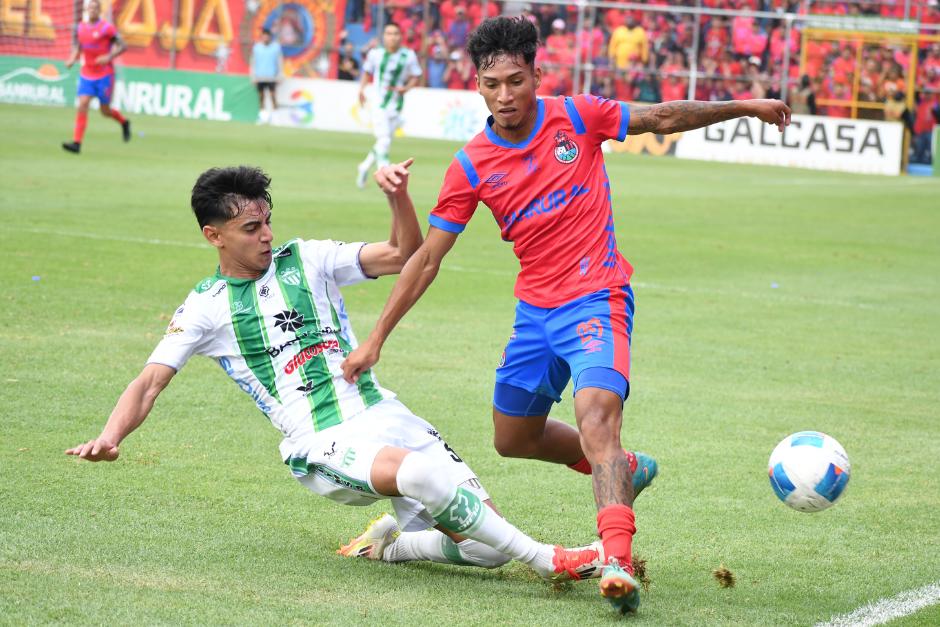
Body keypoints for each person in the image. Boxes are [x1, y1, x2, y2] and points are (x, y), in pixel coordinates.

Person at [341, 16, 791, 615]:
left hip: (597, 295)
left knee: (597, 417)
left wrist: (748, 105)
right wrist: (375, 339)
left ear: (536, 74)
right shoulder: (471, 165)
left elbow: (660, 117)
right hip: (535, 313)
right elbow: (426, 260)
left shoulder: (577, 116)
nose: (505, 96)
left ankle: (617, 562)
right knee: (513, 438)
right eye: (492, 83)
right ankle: (625, 470)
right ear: (477, 84)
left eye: (516, 81)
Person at [64, 161, 606, 585]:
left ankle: (392, 545)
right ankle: (548, 559)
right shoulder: (206, 306)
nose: (267, 236)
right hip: (321, 439)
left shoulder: (309, 258)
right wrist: (110, 437)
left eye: (268, 221)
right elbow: (149, 381)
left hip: (383, 413)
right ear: (215, 236)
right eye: (251, 228)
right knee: (421, 476)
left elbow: (402, 253)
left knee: (485, 550)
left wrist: (397, 197)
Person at [356, 23, 423, 189]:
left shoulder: (408, 55)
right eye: (388, 33)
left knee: (384, 141)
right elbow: (367, 72)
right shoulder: (375, 54)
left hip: (396, 104)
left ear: (401, 36)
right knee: (384, 139)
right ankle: (384, 175)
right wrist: (362, 89)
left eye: (395, 33)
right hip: (378, 102)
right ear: (383, 36)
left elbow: (416, 76)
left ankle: (364, 166)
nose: (392, 37)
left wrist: (405, 88)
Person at [61, 0, 130, 154]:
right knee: (83, 103)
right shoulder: (80, 28)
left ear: (99, 11)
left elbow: (123, 45)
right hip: (87, 73)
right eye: (89, 8)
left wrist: (109, 56)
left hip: (104, 74)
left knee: (104, 111)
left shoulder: (107, 28)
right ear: (86, 9)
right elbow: (78, 46)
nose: (92, 10)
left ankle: (124, 122)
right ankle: (77, 143)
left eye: (95, 8)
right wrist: (72, 58)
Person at [250, 28, 284, 124]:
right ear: (262, 37)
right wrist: (253, 76)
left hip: (271, 77)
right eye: (264, 36)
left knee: (273, 96)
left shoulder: (276, 47)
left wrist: (280, 75)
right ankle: (262, 117)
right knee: (261, 97)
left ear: (270, 37)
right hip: (260, 77)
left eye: (267, 36)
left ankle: (276, 117)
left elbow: (279, 62)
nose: (265, 38)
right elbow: (253, 62)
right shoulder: (257, 48)